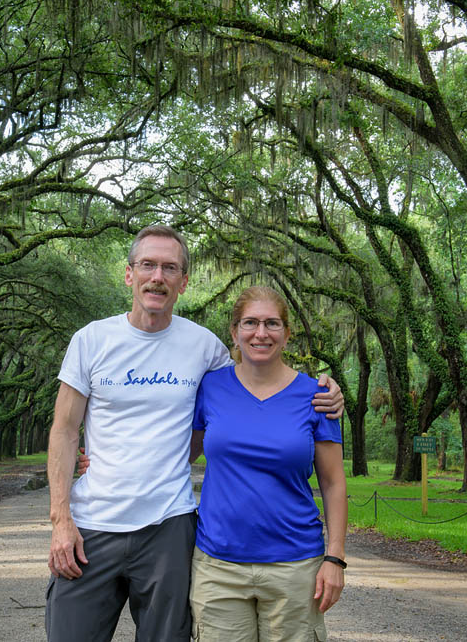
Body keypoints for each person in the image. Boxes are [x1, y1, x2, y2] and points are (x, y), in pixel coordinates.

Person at [45, 225, 343, 642]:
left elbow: (253, 389)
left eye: (170, 268)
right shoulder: (91, 340)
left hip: (169, 526)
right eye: (147, 265)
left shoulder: (205, 349)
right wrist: (61, 519)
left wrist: (325, 389)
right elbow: (63, 429)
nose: (158, 277)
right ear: (129, 274)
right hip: (92, 525)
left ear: (183, 282)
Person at [188, 285, 347, 642]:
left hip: (295, 566)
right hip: (218, 566)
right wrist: (106, 460)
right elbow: (183, 453)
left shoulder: (318, 396)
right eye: (250, 323)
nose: (261, 333)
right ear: (234, 332)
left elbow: (334, 484)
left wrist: (335, 559)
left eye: (272, 323)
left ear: (287, 334)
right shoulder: (210, 388)